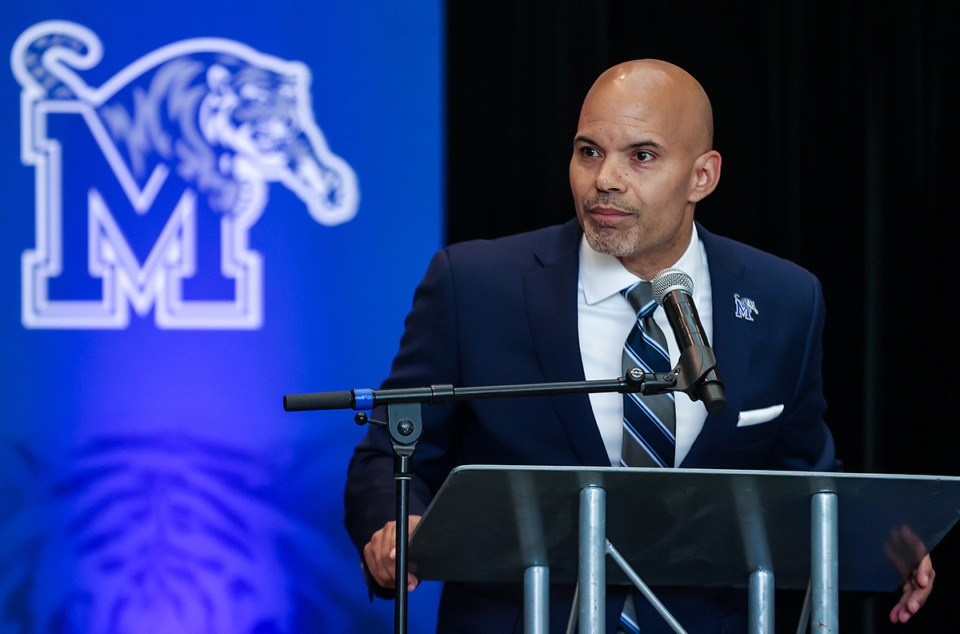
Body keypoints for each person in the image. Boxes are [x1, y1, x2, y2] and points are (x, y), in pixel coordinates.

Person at [344, 59, 934, 632]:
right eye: (588, 152)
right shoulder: (474, 286)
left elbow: (804, 480)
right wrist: (393, 524)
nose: (605, 179)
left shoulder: (785, 299)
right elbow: (392, 455)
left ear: (702, 176)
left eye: (642, 156)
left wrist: (883, 547)